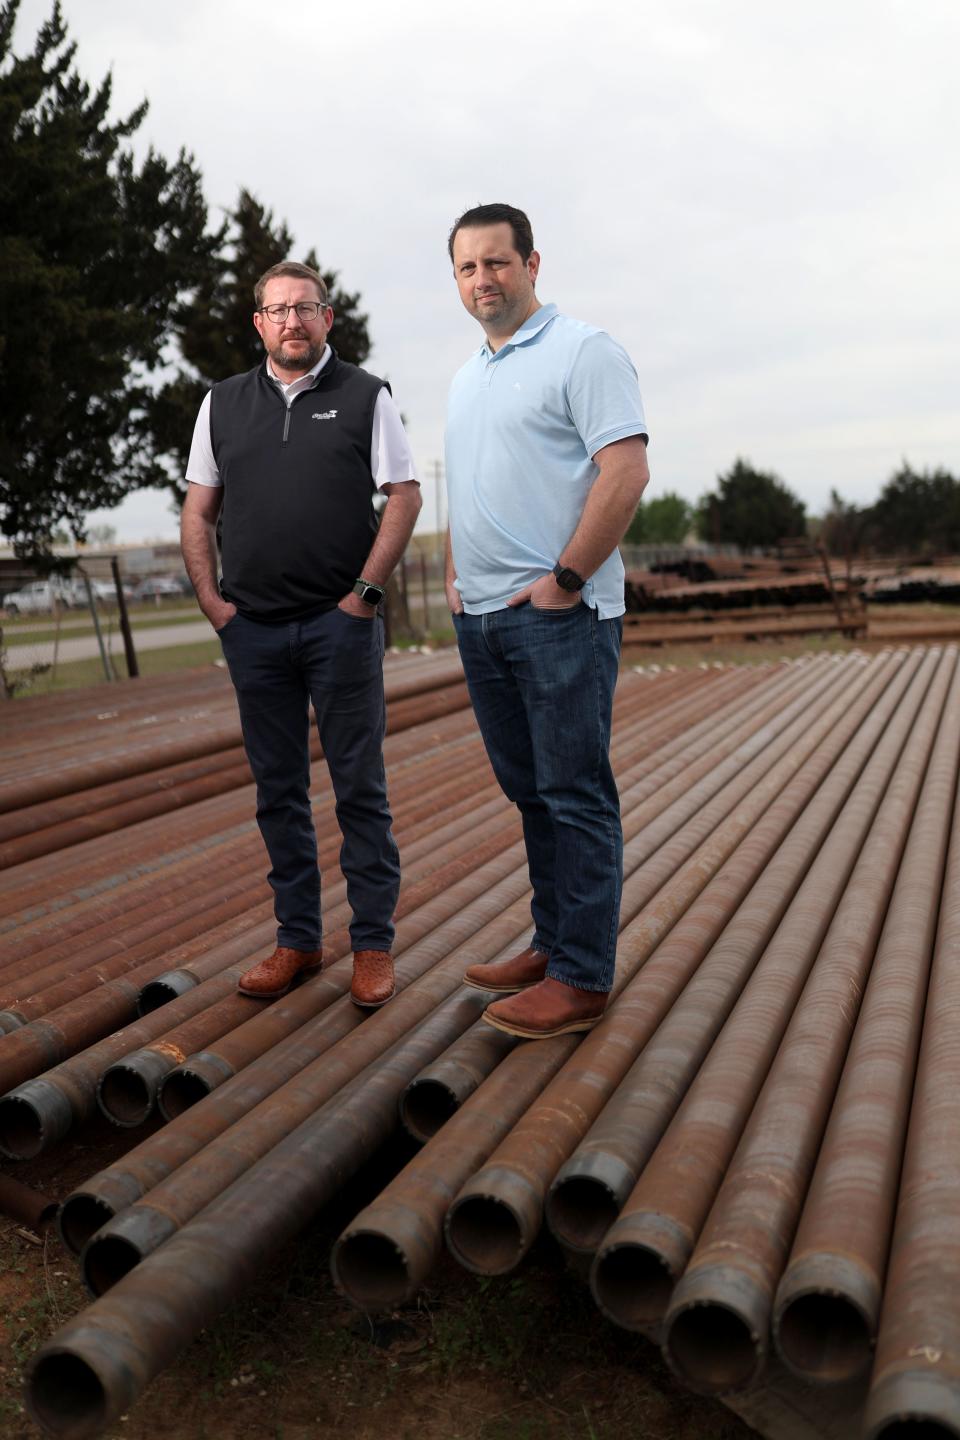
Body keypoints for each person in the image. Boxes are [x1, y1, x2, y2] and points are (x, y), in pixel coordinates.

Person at [181, 260, 421, 1008]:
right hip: (253, 631)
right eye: (278, 310)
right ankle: (298, 940)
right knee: (278, 793)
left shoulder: (364, 396)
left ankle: (372, 947)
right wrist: (216, 606)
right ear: (259, 323)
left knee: (360, 790)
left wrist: (365, 597)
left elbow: (404, 498)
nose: (292, 321)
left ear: (328, 318)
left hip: (337, 629)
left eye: (305, 308)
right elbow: (198, 512)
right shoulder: (220, 404)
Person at [444, 204, 649, 1040]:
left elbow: (626, 471)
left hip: (559, 616)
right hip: (484, 619)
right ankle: (552, 941)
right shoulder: (469, 375)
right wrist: (460, 571)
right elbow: (484, 482)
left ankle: (582, 977)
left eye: (498, 263)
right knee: (531, 794)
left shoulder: (584, 352)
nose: (484, 280)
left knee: (573, 793)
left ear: (533, 264)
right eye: (467, 268)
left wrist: (566, 578)